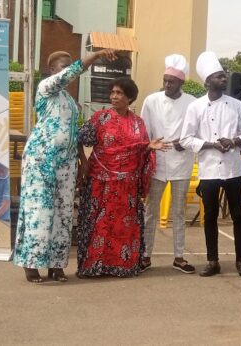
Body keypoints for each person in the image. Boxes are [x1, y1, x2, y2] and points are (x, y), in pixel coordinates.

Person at [13, 48, 117, 283]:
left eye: (70, 66)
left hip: (67, 161)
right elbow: (73, 71)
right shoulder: (46, 88)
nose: (69, 71)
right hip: (42, 158)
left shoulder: (70, 101)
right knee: (41, 210)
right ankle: (32, 264)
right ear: (52, 70)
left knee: (63, 213)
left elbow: (75, 133)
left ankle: (56, 265)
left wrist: (82, 161)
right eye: (63, 66)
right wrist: (97, 54)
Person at [76, 77, 171, 278]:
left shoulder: (138, 123)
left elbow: (141, 149)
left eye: (119, 93)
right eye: (112, 93)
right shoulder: (100, 118)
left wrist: (149, 148)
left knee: (123, 225)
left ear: (130, 97)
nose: (114, 96)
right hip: (100, 180)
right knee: (99, 224)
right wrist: (83, 162)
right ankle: (95, 266)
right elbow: (79, 138)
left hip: (126, 185)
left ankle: (122, 265)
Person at [180, 51, 241, 277]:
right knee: (209, 216)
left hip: (232, 169)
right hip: (209, 170)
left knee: (238, 216)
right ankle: (213, 261)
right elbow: (186, 139)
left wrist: (233, 141)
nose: (224, 79)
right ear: (207, 81)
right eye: (219, 76)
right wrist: (211, 144)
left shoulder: (237, 105)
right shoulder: (196, 107)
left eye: (224, 76)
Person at [140, 54, 198, 274]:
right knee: (150, 211)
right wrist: (149, 146)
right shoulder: (151, 100)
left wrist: (186, 143)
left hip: (181, 164)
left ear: (181, 82)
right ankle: (145, 255)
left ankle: (179, 257)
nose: (166, 84)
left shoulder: (192, 102)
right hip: (157, 163)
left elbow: (196, 132)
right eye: (165, 80)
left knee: (179, 213)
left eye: (171, 81)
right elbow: (144, 131)